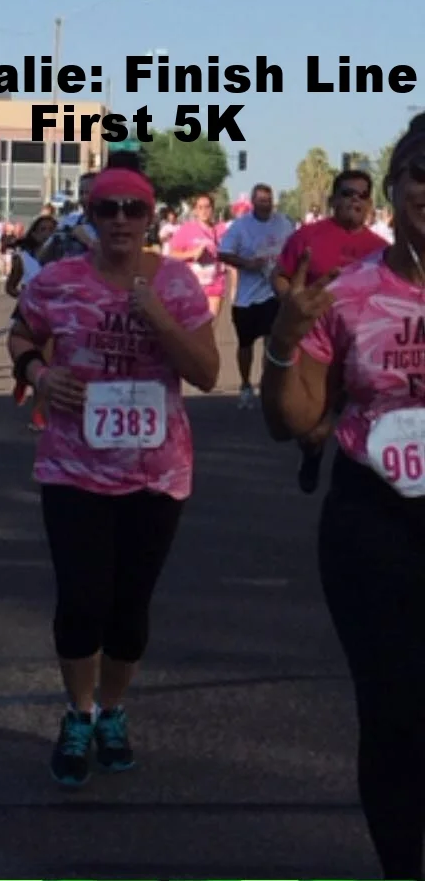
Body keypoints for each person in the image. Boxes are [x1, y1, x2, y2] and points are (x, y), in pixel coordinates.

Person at [7, 167, 219, 788]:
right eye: (108, 210)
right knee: (81, 601)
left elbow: (206, 372)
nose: (121, 219)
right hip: (73, 467)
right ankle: (77, 712)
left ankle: (112, 711)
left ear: (150, 217)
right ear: (91, 218)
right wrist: (40, 375)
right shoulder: (58, 282)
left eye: (133, 209)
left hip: (156, 473)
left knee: (129, 609)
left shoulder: (176, 284)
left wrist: (158, 316)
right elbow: (22, 332)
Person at [260, 112, 425, 880]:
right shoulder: (348, 294)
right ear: (394, 189)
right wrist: (283, 343)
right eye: (421, 172)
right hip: (375, 522)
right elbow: (293, 418)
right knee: (393, 715)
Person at [273, 170, 389, 493]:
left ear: (370, 204)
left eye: (362, 195)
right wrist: (293, 304)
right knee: (315, 431)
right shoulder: (307, 237)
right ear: (333, 199)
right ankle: (312, 454)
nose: (355, 200)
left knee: (367, 419)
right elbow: (280, 276)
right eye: (348, 193)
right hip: (315, 344)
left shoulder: (380, 248)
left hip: (360, 346)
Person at [218, 184, 294, 408]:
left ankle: (268, 385)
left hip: (274, 293)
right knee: (246, 344)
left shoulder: (284, 223)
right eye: (261, 200)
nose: (265, 204)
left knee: (272, 341)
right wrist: (247, 263)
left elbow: (295, 249)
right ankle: (245, 384)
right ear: (253, 202)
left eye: (268, 200)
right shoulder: (241, 227)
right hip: (247, 297)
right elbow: (223, 253)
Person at [5, 213, 57, 431]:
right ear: (33, 233)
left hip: (54, 311)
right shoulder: (22, 257)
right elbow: (10, 286)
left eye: (51, 230)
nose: (47, 234)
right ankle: (22, 376)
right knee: (27, 353)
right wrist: (23, 294)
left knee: (47, 363)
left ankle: (39, 411)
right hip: (28, 311)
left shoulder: (63, 258)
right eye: (42, 229)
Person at [170, 193, 227, 320]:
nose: (204, 211)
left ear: (212, 209)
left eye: (207, 207)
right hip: (192, 285)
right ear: (195, 210)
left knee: (209, 323)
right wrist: (192, 253)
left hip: (214, 283)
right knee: (193, 325)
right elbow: (172, 255)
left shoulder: (220, 230)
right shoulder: (187, 229)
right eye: (200, 207)